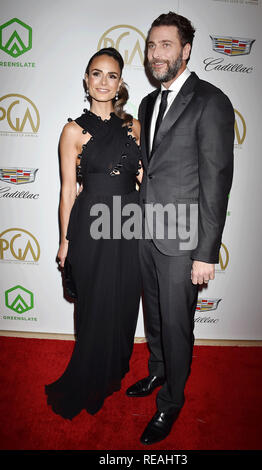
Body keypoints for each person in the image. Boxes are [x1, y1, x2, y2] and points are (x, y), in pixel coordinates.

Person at [126, 12, 234, 445]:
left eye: (166, 45)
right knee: (154, 316)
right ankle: (157, 372)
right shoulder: (148, 103)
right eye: (151, 46)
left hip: (184, 240)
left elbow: (216, 179)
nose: (156, 54)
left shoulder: (211, 100)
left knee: (176, 324)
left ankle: (171, 401)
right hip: (146, 232)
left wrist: (206, 252)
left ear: (185, 51)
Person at [45, 48, 142, 419]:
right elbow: (68, 190)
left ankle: (114, 367)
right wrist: (65, 240)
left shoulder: (133, 126)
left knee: (123, 300)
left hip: (130, 224)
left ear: (120, 83)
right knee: (94, 302)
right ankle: (89, 373)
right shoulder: (72, 130)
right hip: (90, 226)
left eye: (112, 75)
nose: (103, 82)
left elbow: (142, 178)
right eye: (96, 74)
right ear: (86, 80)